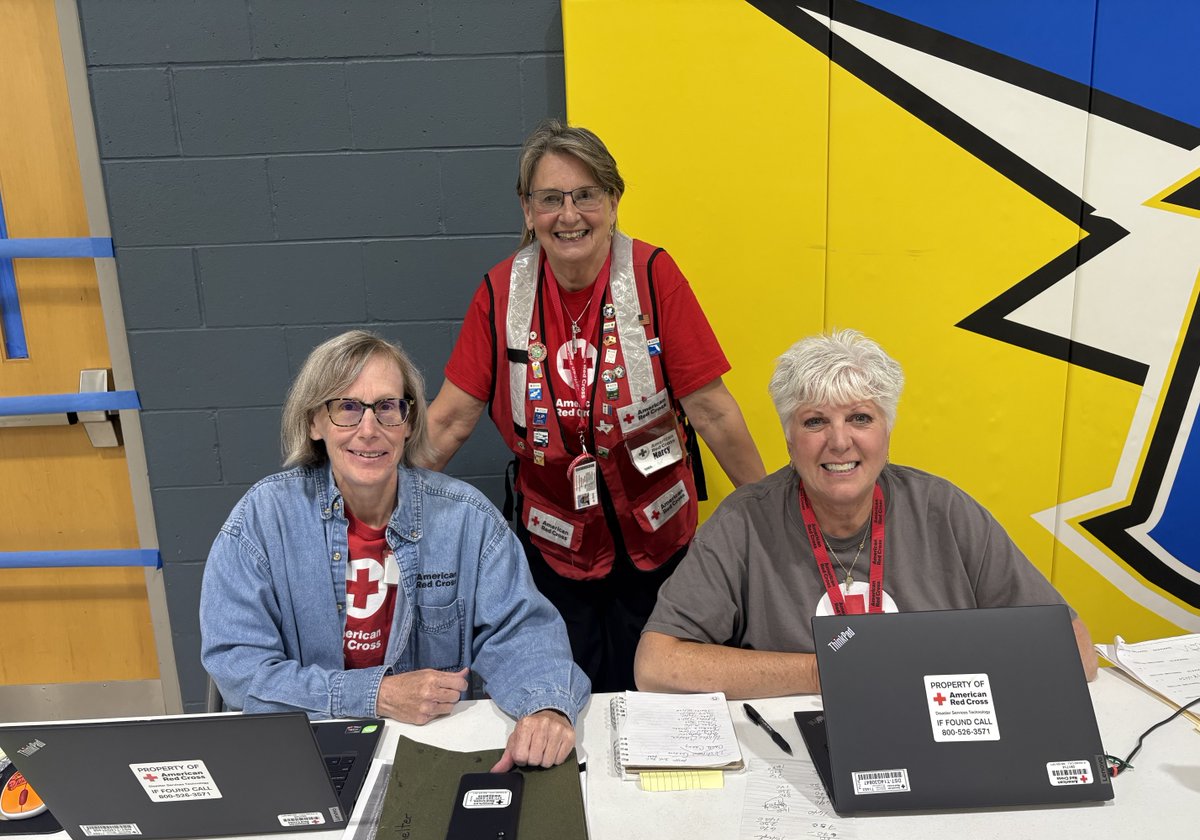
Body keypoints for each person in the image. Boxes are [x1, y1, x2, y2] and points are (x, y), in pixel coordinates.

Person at [426, 120, 766, 693]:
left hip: (660, 539)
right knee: (568, 700)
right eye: (550, 199)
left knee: (661, 700)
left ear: (613, 200)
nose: (569, 215)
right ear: (527, 209)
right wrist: (373, 506)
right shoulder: (499, 291)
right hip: (555, 547)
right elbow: (449, 421)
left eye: (586, 195)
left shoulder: (655, 275)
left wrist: (769, 512)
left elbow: (712, 410)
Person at [200, 331, 589, 771]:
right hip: (306, 751)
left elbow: (522, 633)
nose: (369, 430)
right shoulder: (263, 520)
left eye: (387, 407)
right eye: (346, 408)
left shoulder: (467, 520)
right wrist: (377, 696)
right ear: (314, 423)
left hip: (435, 750)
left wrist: (545, 707)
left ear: (408, 422)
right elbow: (239, 667)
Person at [635, 329, 1098, 697]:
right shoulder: (744, 522)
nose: (839, 442)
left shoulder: (944, 510)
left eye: (860, 418)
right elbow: (657, 665)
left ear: (887, 432)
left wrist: (936, 676)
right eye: (815, 421)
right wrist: (825, 672)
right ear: (789, 440)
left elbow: (1076, 651)